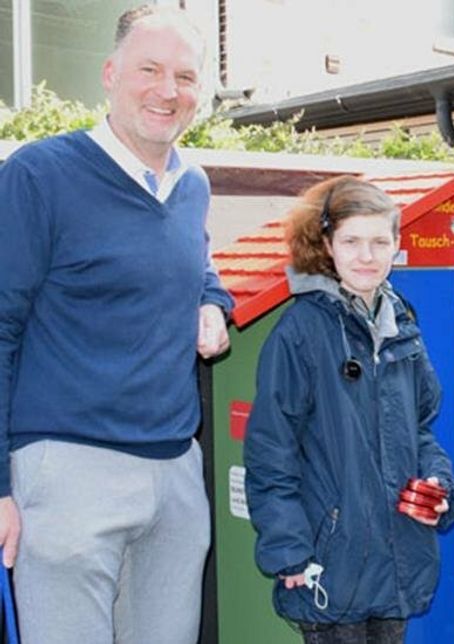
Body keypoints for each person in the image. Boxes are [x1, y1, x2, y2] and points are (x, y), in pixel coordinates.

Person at [0, 6, 232, 643]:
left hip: (175, 472)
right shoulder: (38, 175)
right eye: (149, 70)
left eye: (185, 76)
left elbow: (197, 266)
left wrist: (213, 303)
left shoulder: (191, 184)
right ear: (109, 74)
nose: (167, 90)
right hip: (68, 473)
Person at [243, 176, 454, 644]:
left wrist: (439, 485)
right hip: (330, 561)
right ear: (326, 244)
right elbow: (270, 450)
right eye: (351, 242)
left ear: (397, 244)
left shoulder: (400, 319)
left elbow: (421, 428)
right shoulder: (300, 331)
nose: (367, 256)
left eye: (380, 242)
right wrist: (287, 548)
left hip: (398, 552)